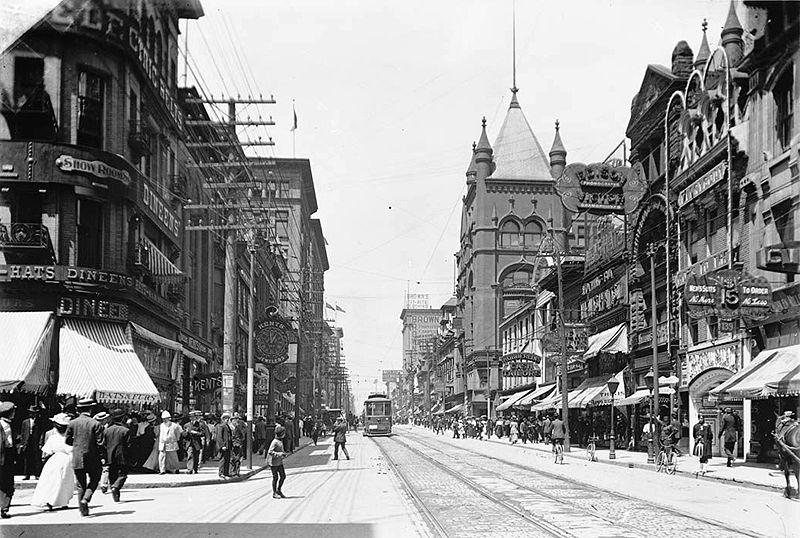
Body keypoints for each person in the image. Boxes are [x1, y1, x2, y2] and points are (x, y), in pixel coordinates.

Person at [65, 398, 104, 517]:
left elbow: (67, 440)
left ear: (78, 409)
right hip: (92, 457)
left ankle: (83, 510)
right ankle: (85, 499)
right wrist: (102, 456)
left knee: (80, 484)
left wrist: (77, 445)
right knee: (95, 478)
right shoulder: (95, 423)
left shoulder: (72, 423)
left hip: (77, 456)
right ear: (91, 409)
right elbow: (100, 443)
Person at [30, 413, 74, 510]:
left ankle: (50, 500)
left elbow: (46, 452)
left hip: (55, 460)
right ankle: (63, 501)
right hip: (67, 460)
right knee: (64, 481)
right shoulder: (70, 439)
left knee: (51, 481)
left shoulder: (53, 438)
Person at [104, 409, 130, 502]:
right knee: (123, 474)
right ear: (122, 418)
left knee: (112, 475)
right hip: (122, 456)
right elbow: (129, 445)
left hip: (110, 456)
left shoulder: (107, 431)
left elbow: (104, 444)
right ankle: (116, 488)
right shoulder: (126, 430)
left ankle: (115, 492)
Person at [19, 405, 46, 481]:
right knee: (27, 459)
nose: (33, 414)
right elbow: (23, 433)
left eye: (34, 413)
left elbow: (42, 433)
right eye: (31, 413)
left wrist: (41, 442)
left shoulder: (39, 421)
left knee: (36, 458)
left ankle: (37, 474)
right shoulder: (25, 422)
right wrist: (22, 443)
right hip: (27, 441)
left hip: (35, 441)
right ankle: (26, 474)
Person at [0, 402, 16, 518]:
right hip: (4, 457)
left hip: (5, 456)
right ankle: (4, 507)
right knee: (8, 483)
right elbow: (7, 443)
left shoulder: (7, 424)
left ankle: (4, 507)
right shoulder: (4, 425)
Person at [267, 425, 288, 498]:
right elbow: (270, 451)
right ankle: (274, 492)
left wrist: (283, 454)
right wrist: (279, 454)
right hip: (274, 462)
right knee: (275, 477)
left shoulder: (279, 441)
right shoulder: (274, 442)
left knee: (283, 476)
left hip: (279, 462)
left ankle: (279, 489)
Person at [215, 412, 232, 478]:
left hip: (228, 445)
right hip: (224, 446)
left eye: (228, 418)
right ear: (223, 419)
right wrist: (222, 445)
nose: (227, 419)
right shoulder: (221, 426)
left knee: (227, 459)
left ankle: (226, 473)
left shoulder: (227, 426)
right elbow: (219, 437)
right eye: (225, 418)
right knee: (223, 459)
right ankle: (221, 473)